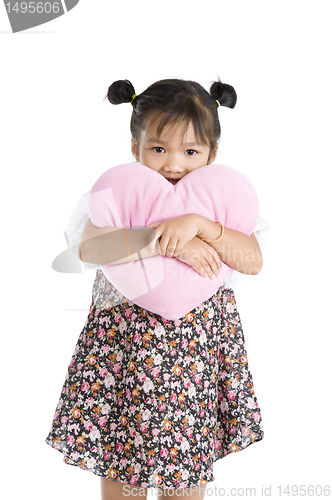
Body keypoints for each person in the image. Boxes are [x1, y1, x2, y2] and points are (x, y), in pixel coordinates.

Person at [45, 78, 270, 500]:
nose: (174, 164)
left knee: (185, 473)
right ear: (136, 148)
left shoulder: (222, 200)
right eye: (159, 149)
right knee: (121, 462)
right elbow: (92, 249)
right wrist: (169, 241)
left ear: (212, 154)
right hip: (124, 353)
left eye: (191, 151)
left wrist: (201, 227)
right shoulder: (119, 195)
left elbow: (252, 260)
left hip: (191, 362)